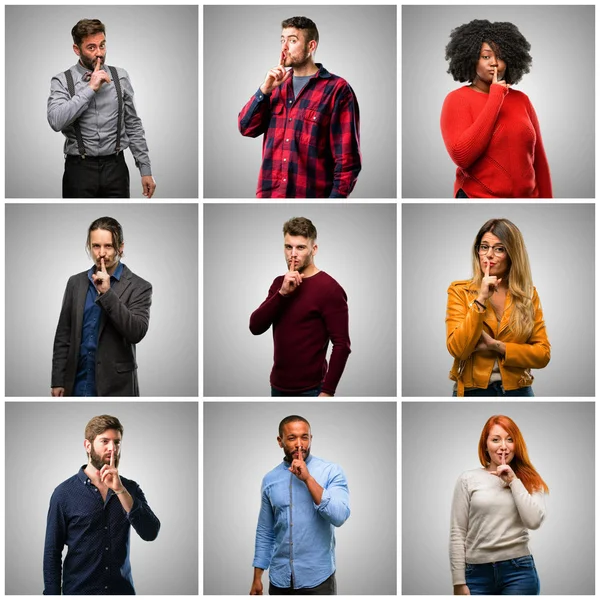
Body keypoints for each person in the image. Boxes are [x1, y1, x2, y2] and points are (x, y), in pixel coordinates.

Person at [238, 16, 361, 198]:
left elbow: (347, 160)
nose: (284, 47)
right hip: (270, 196)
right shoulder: (275, 86)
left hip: (311, 195)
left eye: (293, 40)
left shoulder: (337, 90)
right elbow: (246, 128)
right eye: (282, 40)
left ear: (311, 46)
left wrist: (333, 202)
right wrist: (264, 90)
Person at [43, 414, 160, 594]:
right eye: (104, 441)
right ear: (87, 446)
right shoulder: (64, 494)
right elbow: (52, 553)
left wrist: (120, 490)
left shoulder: (129, 488)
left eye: (117, 442)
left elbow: (150, 532)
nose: (112, 449)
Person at [441, 20, 552, 198]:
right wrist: (496, 97)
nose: (494, 63)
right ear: (471, 59)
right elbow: (462, 156)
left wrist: (548, 202)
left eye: (500, 57)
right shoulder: (457, 99)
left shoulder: (521, 100)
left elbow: (539, 160)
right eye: (486, 56)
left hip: (528, 199)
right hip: (476, 197)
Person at [47, 19, 156, 198]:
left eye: (102, 45)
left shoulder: (120, 77)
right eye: (91, 48)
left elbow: (133, 124)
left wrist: (145, 169)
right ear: (77, 49)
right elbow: (55, 121)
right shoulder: (62, 81)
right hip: (79, 170)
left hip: (116, 168)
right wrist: (90, 89)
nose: (99, 53)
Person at [446, 218, 550, 396]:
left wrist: (497, 346)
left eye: (499, 249)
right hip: (473, 390)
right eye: (484, 247)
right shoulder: (459, 291)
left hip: (519, 389)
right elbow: (458, 350)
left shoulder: (528, 294)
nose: (489, 255)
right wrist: (481, 298)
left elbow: (542, 354)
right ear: (477, 250)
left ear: (512, 254)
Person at [249, 217, 351, 396]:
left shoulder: (330, 289)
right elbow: (255, 327)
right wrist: (281, 294)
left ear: (314, 249)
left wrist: (327, 392)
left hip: (312, 390)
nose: (293, 254)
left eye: (301, 247)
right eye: (289, 247)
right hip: (277, 386)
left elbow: (342, 345)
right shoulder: (279, 284)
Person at [51, 216, 152, 396]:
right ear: (89, 247)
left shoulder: (140, 286)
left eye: (108, 246)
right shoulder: (76, 283)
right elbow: (63, 335)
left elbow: (136, 332)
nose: (101, 253)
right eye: (96, 246)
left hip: (116, 386)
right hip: (76, 382)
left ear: (121, 247)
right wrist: (58, 380)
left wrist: (107, 293)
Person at [250, 415, 350, 595]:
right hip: (280, 580)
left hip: (318, 580)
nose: (299, 444)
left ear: (311, 439)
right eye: (291, 438)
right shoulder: (269, 480)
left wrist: (308, 479)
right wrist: (257, 577)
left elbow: (340, 516)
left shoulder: (331, 472)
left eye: (304, 437)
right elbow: (265, 531)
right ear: (280, 442)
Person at [450, 415, 547, 595]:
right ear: (485, 446)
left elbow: (533, 522)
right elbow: (458, 532)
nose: (503, 446)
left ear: (516, 445)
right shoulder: (467, 479)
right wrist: (458, 581)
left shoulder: (530, 480)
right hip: (476, 574)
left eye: (510, 440)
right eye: (496, 440)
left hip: (519, 572)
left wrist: (513, 481)